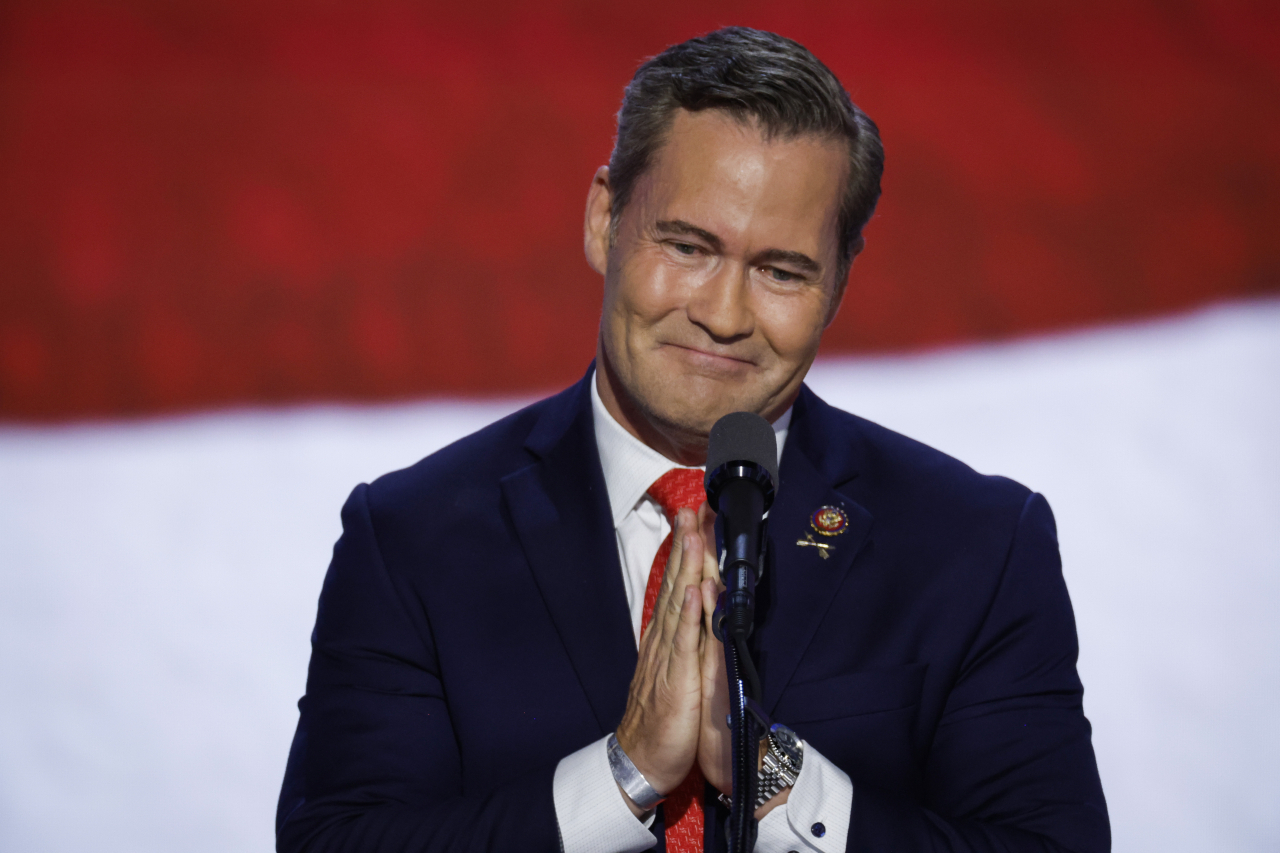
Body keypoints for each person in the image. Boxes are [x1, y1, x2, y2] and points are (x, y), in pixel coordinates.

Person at [276, 27, 1109, 853]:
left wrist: (779, 784)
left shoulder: (977, 545)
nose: (723, 313)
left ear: (841, 281)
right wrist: (623, 776)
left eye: (781, 271)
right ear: (606, 219)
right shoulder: (412, 540)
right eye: (687, 246)